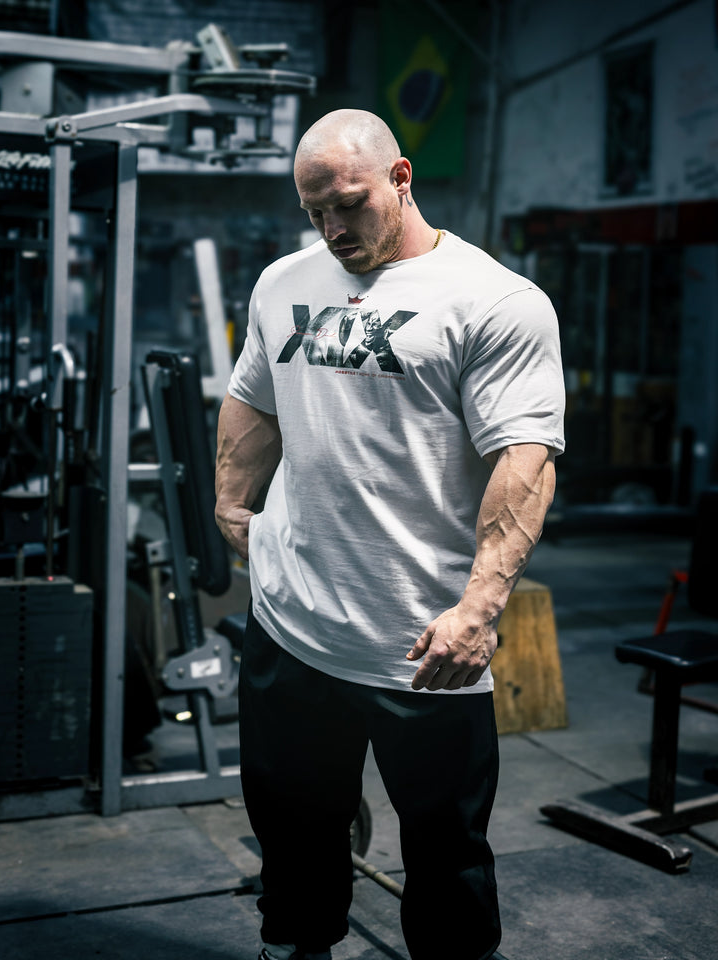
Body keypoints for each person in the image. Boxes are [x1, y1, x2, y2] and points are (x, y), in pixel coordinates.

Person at [215, 108, 565, 960]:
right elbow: (254, 396)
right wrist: (233, 506)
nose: (333, 229)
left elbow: (526, 458)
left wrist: (480, 611)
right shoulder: (281, 283)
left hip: (423, 645)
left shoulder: (495, 300)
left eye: (349, 203)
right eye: (315, 212)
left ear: (401, 178)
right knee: (292, 830)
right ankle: (296, 947)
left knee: (445, 855)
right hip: (292, 626)